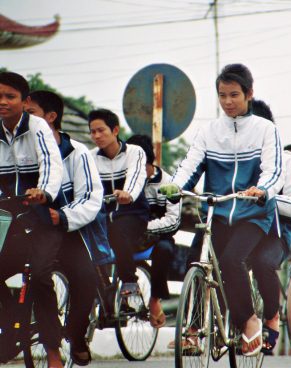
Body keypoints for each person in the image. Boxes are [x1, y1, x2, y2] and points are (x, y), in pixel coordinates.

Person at [161, 64, 283, 356]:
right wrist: (175, 186)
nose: (228, 102)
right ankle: (191, 331)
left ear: (249, 94)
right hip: (216, 213)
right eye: (222, 95)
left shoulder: (266, 130)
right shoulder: (209, 131)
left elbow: (273, 170)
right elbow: (189, 164)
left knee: (231, 260)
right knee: (195, 262)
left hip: (252, 214)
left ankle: (249, 320)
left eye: (234, 95)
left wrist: (262, 189)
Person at [26, 90, 108, 365]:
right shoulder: (23, 148)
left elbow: (90, 197)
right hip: (30, 231)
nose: (26, 120)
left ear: (51, 117)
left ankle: (75, 331)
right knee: (36, 279)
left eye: (31, 113)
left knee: (86, 279)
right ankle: (45, 340)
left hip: (70, 232)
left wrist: (61, 216)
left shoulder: (77, 152)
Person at [0, 72, 64, 367]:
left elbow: (52, 164)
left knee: (39, 277)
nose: (3, 102)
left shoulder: (38, 127)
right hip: (7, 219)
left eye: (10, 96)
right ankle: (12, 321)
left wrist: (45, 192)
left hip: (40, 216)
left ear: (25, 102)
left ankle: (53, 349)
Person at [249, 99, 291, 352]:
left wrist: (264, 196)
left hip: (277, 231)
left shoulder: (289, 161)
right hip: (243, 227)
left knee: (263, 262)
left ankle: (271, 316)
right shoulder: (236, 159)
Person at [88, 108, 149, 297]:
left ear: (115, 130)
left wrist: (127, 194)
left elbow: (136, 176)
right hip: (102, 216)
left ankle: (129, 282)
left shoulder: (134, 152)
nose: (96, 136)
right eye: (92, 132)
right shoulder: (90, 157)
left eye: (101, 130)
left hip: (133, 215)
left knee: (116, 229)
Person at [126, 134, 183, 329]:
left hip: (159, 237)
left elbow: (173, 221)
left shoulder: (169, 183)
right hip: (130, 236)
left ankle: (155, 299)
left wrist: (145, 227)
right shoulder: (126, 182)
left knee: (165, 249)